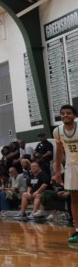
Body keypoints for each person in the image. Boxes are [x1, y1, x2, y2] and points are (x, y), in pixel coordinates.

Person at [52, 104, 78, 243]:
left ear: (75, 115)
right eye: (62, 113)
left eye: (68, 113)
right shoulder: (57, 131)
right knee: (74, 199)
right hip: (71, 166)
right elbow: (59, 150)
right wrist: (57, 170)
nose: (65, 115)